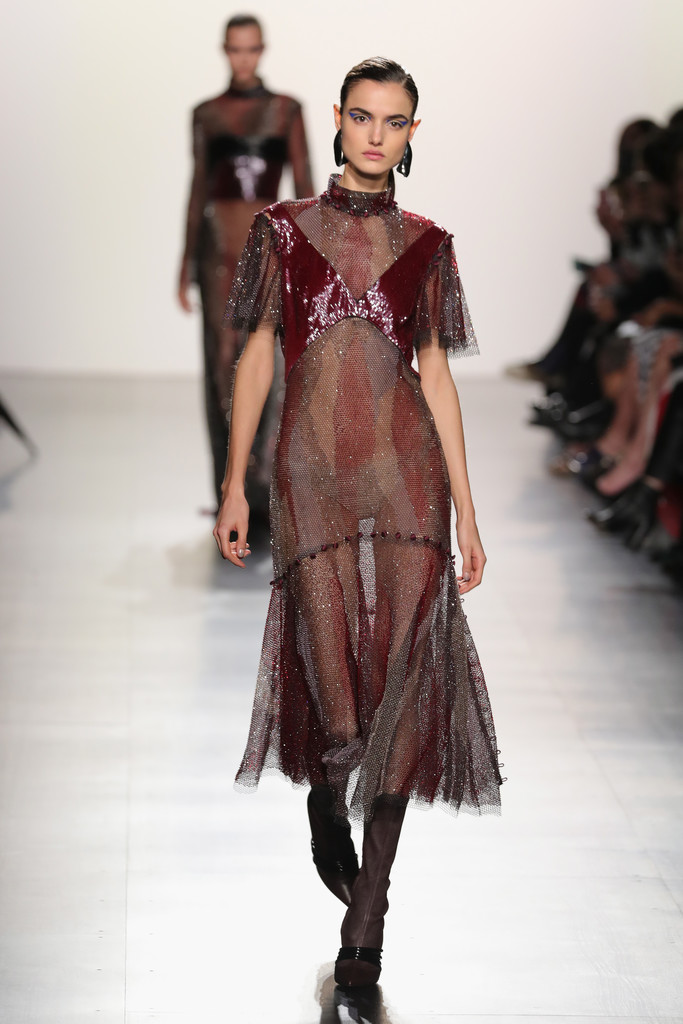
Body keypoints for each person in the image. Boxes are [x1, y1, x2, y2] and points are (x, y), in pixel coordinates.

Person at [214, 57, 504, 987]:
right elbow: (258, 353)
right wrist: (234, 485)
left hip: (408, 479)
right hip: (310, 481)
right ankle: (324, 796)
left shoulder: (428, 244)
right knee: (339, 700)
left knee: (402, 691)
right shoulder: (282, 230)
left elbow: (437, 379)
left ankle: (368, 911)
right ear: (338, 120)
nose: (377, 135)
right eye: (364, 116)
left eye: (396, 121)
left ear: (413, 133)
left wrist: (468, 512)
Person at [178, 14, 314, 519]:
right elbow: (198, 189)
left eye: (251, 49)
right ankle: (227, 488)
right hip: (217, 252)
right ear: (224, 50)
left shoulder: (286, 111)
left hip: (266, 251)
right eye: (235, 49)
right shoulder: (206, 114)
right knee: (220, 367)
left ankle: (261, 489)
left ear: (262, 50)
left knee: (267, 366)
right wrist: (185, 264)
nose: (243, 58)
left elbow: (304, 187)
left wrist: (310, 260)